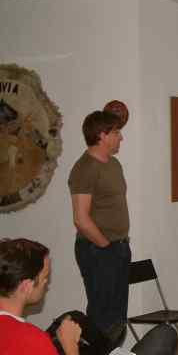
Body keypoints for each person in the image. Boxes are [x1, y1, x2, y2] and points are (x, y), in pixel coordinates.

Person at [0, 238, 178, 355]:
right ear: (26, 286)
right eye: (45, 278)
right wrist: (71, 347)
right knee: (163, 336)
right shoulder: (29, 339)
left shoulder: (21, 337)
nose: (47, 284)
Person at [68, 110, 129, 341]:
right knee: (103, 317)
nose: (121, 137)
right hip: (98, 250)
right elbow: (80, 218)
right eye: (116, 132)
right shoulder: (85, 168)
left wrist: (118, 246)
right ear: (102, 135)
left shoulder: (114, 164)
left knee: (117, 317)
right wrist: (105, 246)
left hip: (119, 247)